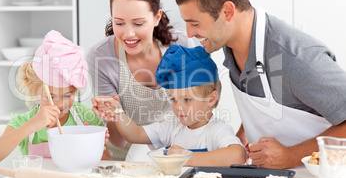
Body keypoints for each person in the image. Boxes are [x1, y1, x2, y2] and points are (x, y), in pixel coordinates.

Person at [174, 0, 346, 169]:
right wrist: (243, 134)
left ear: (227, 11)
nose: (189, 32)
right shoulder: (229, 46)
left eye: (195, 23)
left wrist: (291, 155)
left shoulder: (296, 58)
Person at [87, 0, 194, 162]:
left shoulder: (182, 44)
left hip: (178, 154)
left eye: (138, 23)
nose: (128, 33)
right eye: (119, 23)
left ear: (156, 17)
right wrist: (111, 113)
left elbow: (197, 113)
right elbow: (118, 141)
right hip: (126, 160)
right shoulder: (100, 58)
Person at [93, 45, 246, 166]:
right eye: (173, 99)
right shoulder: (173, 125)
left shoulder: (216, 130)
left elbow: (238, 155)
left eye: (186, 100)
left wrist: (186, 157)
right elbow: (135, 134)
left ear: (211, 99)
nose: (178, 107)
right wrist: (117, 111)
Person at [0, 30, 111, 166]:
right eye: (50, 96)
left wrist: (93, 146)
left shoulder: (87, 117)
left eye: (68, 95)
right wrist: (30, 127)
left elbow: (108, 163)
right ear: (33, 88)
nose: (61, 103)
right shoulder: (25, 121)